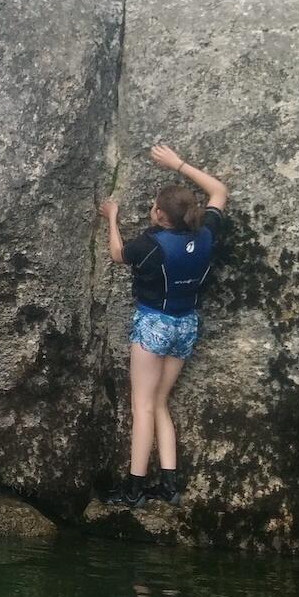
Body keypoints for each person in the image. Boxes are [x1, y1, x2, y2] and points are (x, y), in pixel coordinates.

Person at [100, 144, 229, 506]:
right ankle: (170, 486)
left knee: (141, 405)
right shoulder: (206, 235)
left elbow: (117, 254)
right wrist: (178, 164)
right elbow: (219, 191)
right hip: (186, 325)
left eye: (155, 206)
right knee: (159, 401)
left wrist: (112, 218)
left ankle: (134, 489)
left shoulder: (149, 244)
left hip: (154, 325)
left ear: (159, 214)